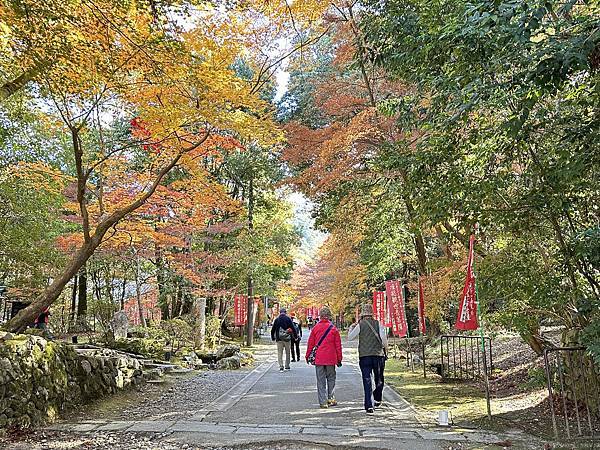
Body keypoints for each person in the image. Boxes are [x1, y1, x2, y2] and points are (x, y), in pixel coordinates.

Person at [348, 304, 388, 414]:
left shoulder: (360, 325)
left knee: (367, 380)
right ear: (372, 314)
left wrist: (351, 327)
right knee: (379, 378)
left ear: (363, 315)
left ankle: (369, 405)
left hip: (364, 355)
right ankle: (377, 397)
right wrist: (386, 348)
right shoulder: (378, 323)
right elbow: (383, 338)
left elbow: (350, 337)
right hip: (378, 355)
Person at [305, 306, 342, 408]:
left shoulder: (315, 328)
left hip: (319, 359)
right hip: (331, 358)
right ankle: (331, 398)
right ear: (329, 316)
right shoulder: (334, 329)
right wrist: (339, 358)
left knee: (320, 380)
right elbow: (338, 346)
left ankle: (322, 402)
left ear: (320, 316)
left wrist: (307, 355)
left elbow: (310, 344)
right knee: (331, 378)